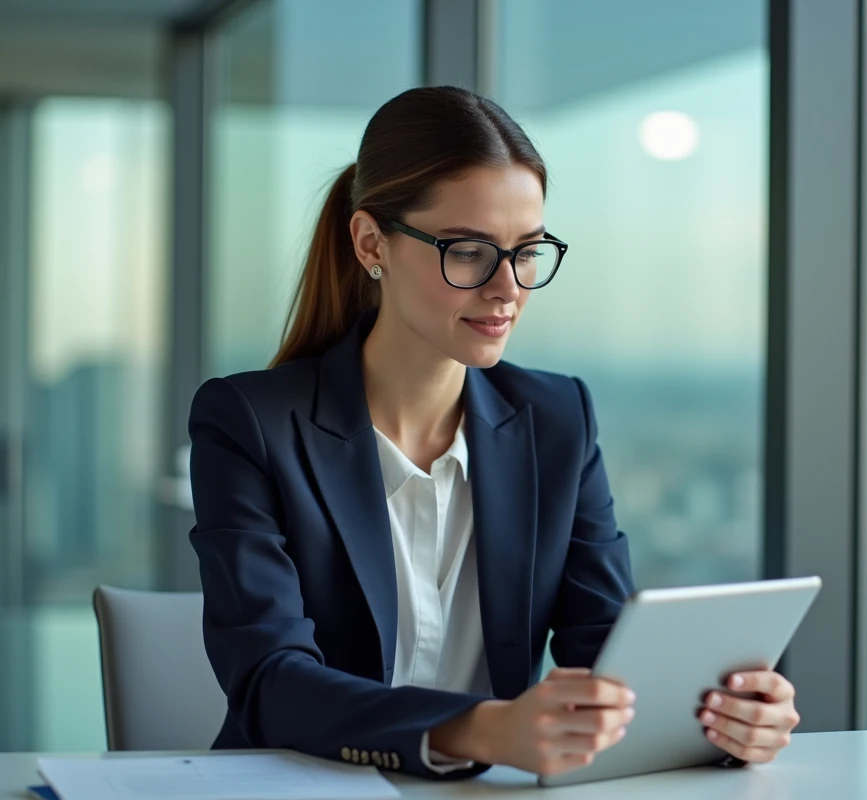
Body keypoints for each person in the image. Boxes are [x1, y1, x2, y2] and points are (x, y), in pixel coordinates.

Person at [188, 86, 800, 781]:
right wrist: (478, 730)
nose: (508, 287)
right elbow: (270, 680)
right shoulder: (251, 423)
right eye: (471, 251)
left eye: (528, 251)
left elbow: (607, 657)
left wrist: (724, 719)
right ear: (370, 243)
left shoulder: (556, 419)